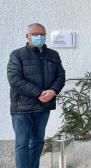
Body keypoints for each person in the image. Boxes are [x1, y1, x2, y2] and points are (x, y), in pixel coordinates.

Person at [7, 23, 65, 168]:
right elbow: (14, 79)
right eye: (35, 34)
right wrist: (39, 92)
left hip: (43, 107)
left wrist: (53, 91)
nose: (39, 37)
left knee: (38, 142)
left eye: (42, 34)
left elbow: (61, 76)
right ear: (27, 36)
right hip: (22, 108)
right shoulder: (17, 54)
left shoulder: (53, 54)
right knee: (22, 144)